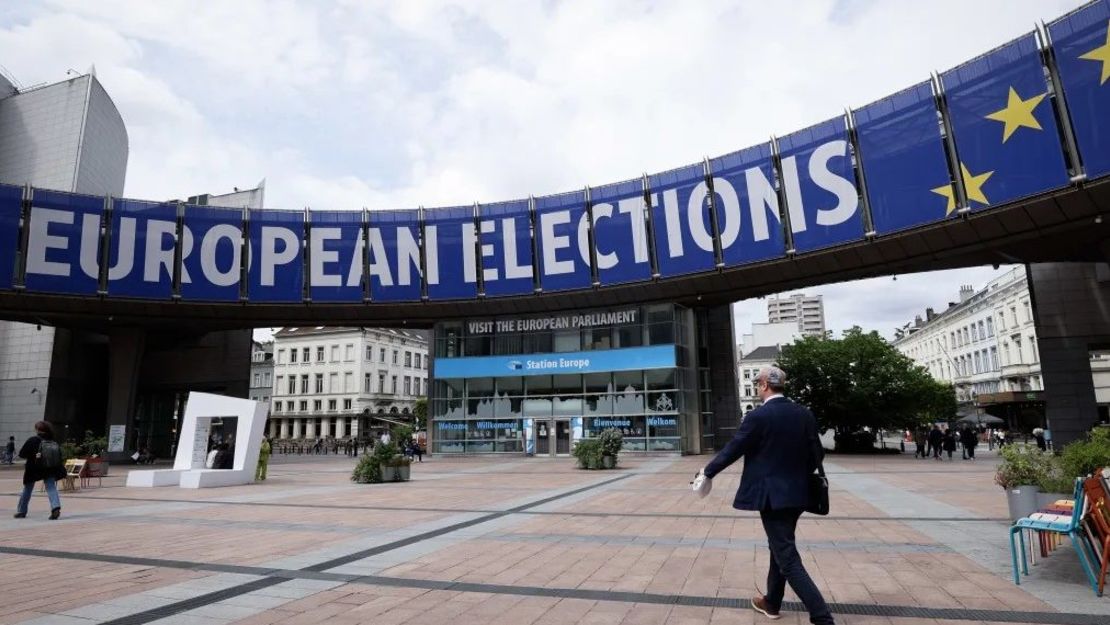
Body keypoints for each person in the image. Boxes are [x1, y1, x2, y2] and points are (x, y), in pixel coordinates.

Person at [698, 366, 834, 625]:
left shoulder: (759, 416)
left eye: (757, 383)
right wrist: (794, 476)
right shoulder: (803, 414)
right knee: (779, 547)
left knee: (788, 558)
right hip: (799, 494)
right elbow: (818, 454)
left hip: (773, 498)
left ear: (763, 386)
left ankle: (822, 618)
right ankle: (772, 601)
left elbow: (734, 448)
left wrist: (707, 472)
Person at [14, 421, 65, 520]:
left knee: (27, 489)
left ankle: (22, 511)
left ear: (38, 430)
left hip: (33, 468)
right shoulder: (52, 441)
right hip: (49, 468)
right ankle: (55, 507)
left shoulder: (33, 440)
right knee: (51, 487)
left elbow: (22, 454)